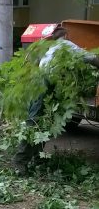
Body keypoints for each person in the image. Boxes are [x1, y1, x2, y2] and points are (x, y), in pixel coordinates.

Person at [13, 26, 99, 175]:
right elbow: (90, 58)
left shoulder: (49, 46)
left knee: (45, 122)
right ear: (65, 36)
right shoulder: (65, 45)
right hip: (43, 85)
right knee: (34, 122)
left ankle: (37, 158)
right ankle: (20, 162)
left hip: (41, 84)